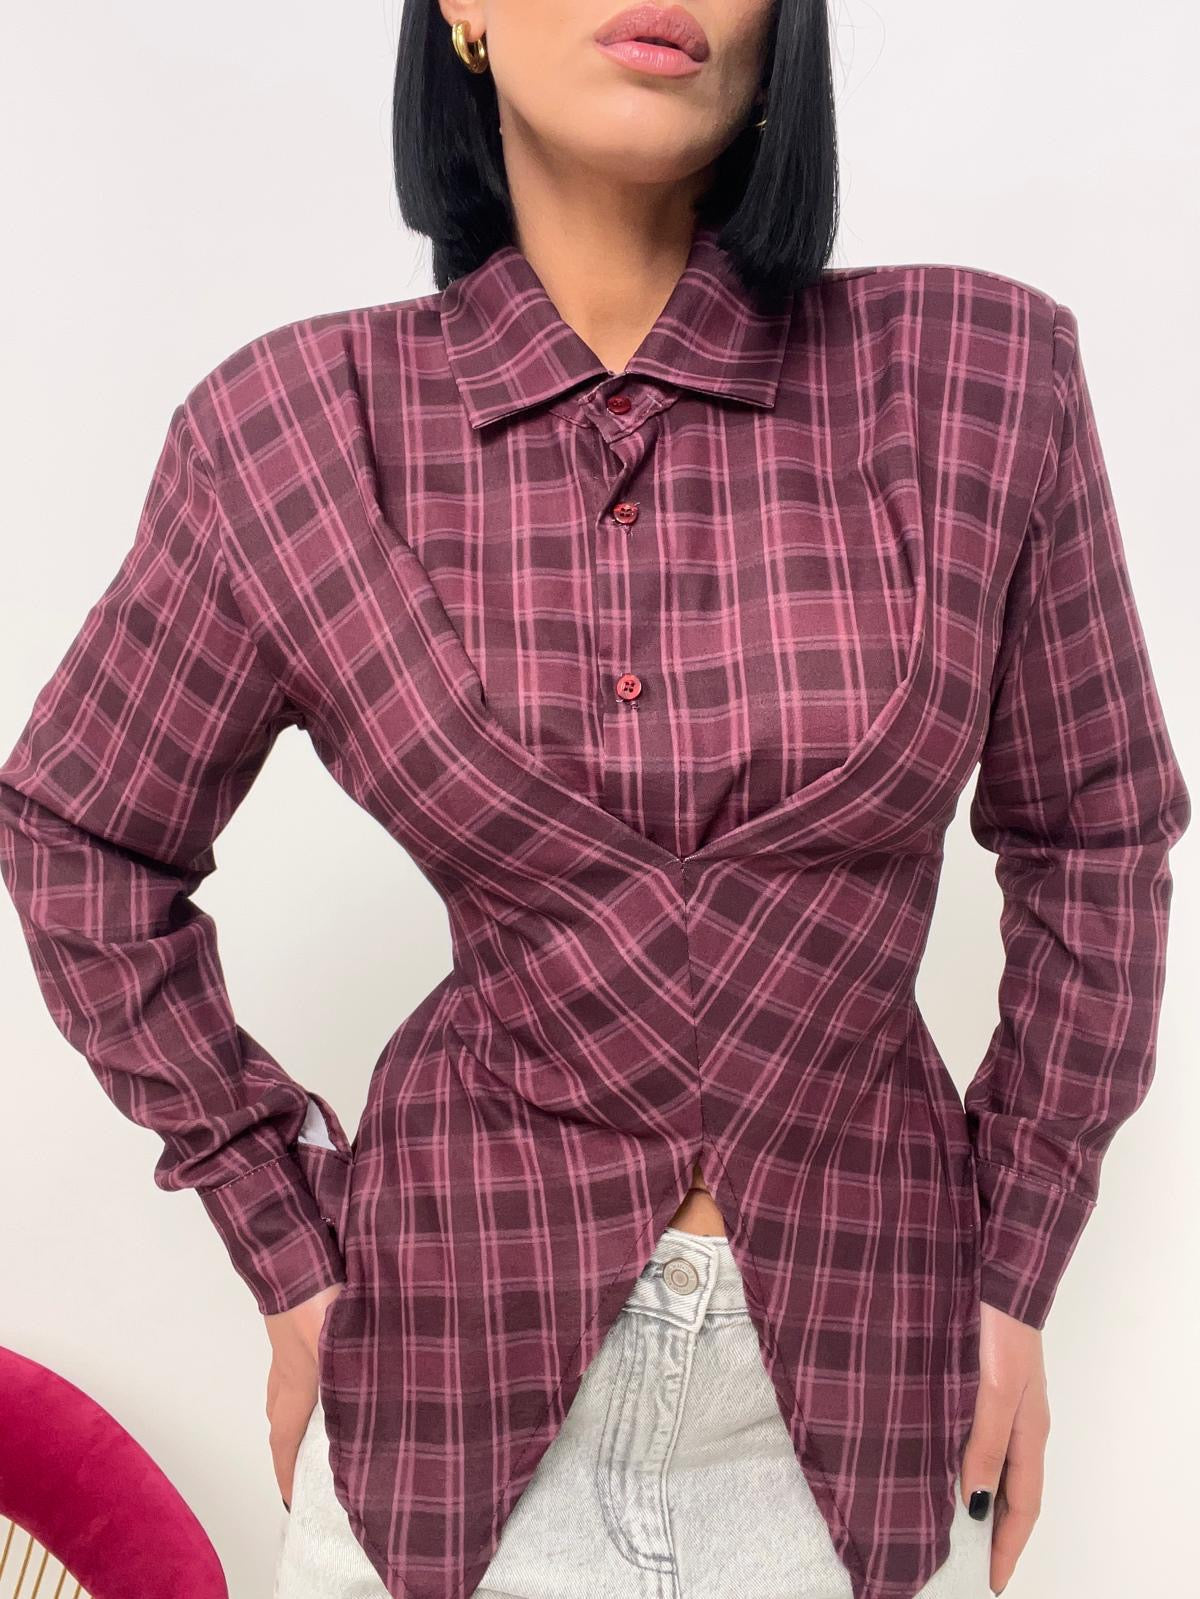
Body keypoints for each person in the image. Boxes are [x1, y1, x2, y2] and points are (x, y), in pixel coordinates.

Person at [0, 3, 1189, 1598]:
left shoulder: (979, 374)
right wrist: (281, 1237)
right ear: (465, 12)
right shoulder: (291, 433)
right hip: (444, 1391)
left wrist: (1018, 1266)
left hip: (862, 1397)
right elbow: (83, 830)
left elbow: (1095, 828)